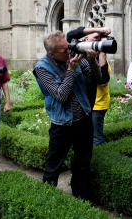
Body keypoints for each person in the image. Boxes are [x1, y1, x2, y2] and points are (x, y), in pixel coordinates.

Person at [33, 30, 101, 201]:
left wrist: (92, 60)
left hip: (83, 119)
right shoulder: (42, 68)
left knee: (82, 163)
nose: (68, 51)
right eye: (63, 50)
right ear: (52, 53)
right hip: (62, 123)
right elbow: (61, 95)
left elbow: (98, 79)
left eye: (68, 46)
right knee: (53, 166)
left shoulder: (73, 54)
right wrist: (71, 69)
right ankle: (48, 202)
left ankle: (82, 198)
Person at [66, 26, 111, 146]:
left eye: (101, 39)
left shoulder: (99, 59)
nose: (99, 41)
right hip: (77, 107)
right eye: (96, 38)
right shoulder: (76, 51)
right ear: (86, 39)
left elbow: (102, 80)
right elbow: (70, 35)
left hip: (94, 105)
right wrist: (101, 29)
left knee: (89, 140)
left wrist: (102, 53)